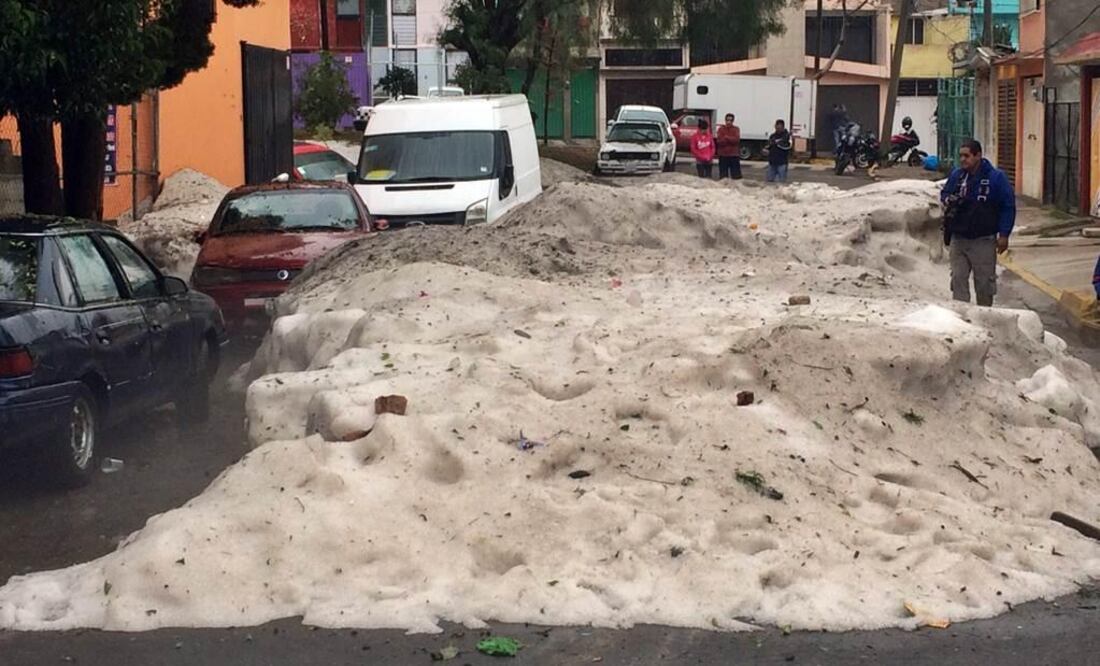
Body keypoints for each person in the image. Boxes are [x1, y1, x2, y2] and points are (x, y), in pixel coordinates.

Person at [940, 139, 1016, 307]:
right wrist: (948, 200)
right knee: (958, 279)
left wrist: (1004, 234)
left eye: (966, 156)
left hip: (983, 240)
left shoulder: (996, 178)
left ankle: (985, 318)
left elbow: (1008, 206)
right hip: (958, 238)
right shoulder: (957, 176)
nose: (963, 160)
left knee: (984, 285)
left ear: (978, 155)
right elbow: (945, 193)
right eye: (961, 156)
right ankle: (963, 318)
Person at [715, 113, 742, 180]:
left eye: (730, 120)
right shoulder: (721, 129)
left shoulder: (736, 129)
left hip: (734, 155)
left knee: (736, 176)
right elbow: (719, 141)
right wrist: (730, 139)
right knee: (723, 176)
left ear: (733, 121)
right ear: (725, 120)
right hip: (723, 155)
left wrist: (726, 137)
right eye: (727, 120)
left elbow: (736, 140)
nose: (729, 122)